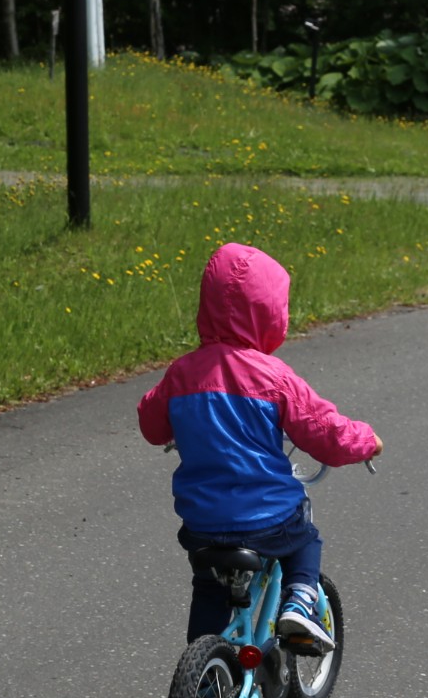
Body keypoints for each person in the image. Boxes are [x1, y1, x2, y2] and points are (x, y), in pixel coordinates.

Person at [136, 242, 382, 648]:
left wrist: (179, 422)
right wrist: (366, 442)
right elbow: (325, 433)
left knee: (209, 587)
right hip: (265, 520)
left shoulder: (182, 374)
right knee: (305, 537)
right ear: (270, 312)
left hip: (202, 523)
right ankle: (299, 603)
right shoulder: (274, 378)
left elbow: (151, 424)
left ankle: (202, 674)